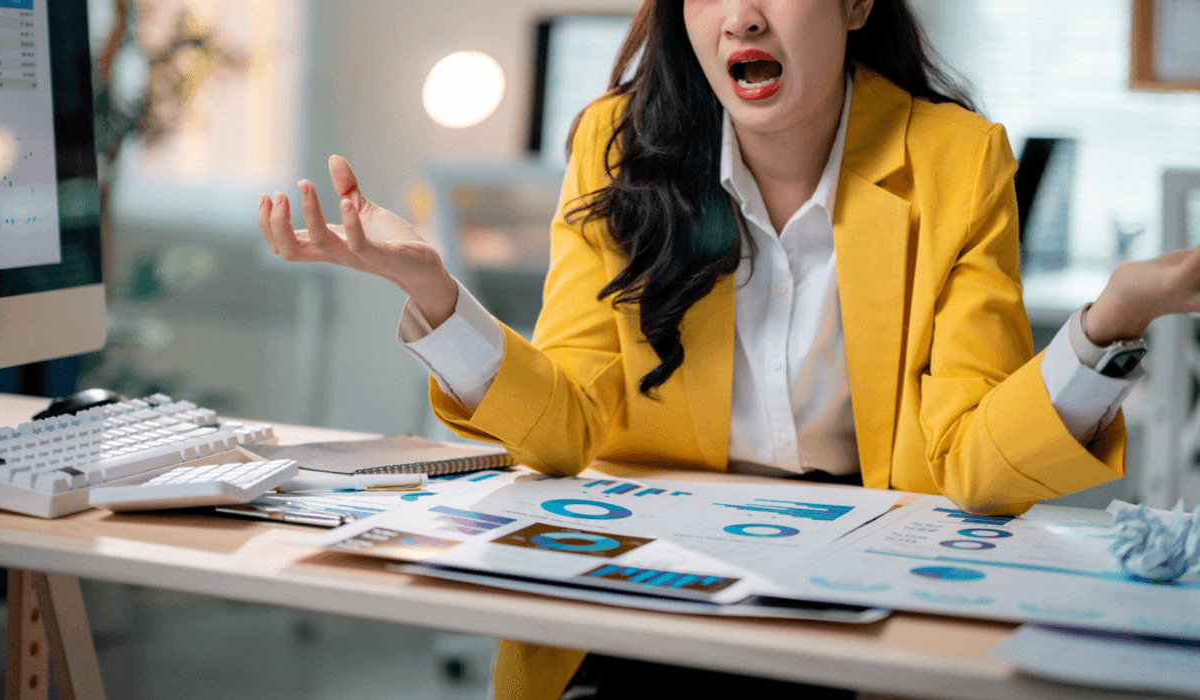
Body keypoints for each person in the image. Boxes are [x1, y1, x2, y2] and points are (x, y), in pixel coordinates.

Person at [258, 1, 1200, 697]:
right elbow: (564, 431)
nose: (741, 16)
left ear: (854, 6)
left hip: (860, 606)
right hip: (648, 600)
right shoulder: (617, 144)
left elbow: (976, 467)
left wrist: (1106, 324)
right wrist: (432, 290)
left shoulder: (956, 158)